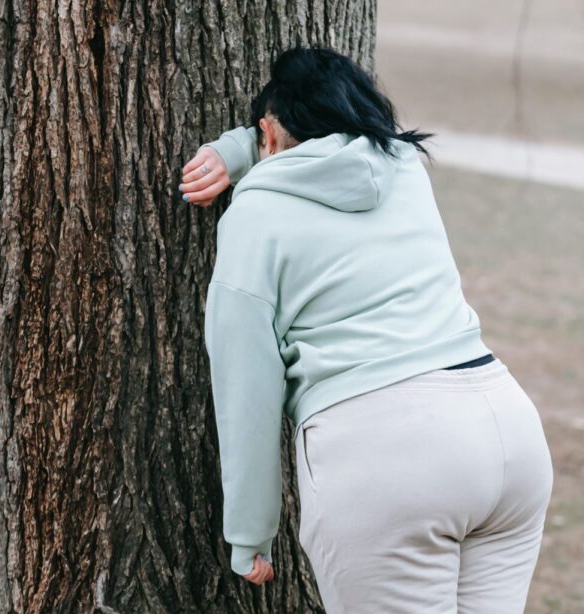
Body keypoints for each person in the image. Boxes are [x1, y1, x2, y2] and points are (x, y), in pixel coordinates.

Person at [179, 44, 554, 614]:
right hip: (508, 435)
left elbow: (246, 386)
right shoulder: (402, 167)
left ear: (270, 134)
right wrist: (243, 148)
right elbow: (344, 151)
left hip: (389, 455)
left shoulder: (253, 218)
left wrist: (250, 532)